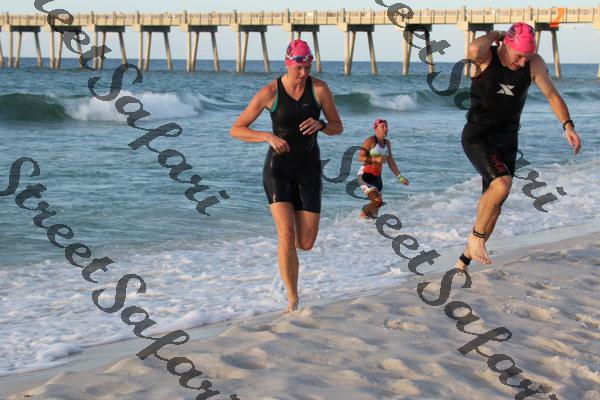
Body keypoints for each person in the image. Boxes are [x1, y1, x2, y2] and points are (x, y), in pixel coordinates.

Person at [457, 22, 582, 270]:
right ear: (505, 45)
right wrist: (496, 34)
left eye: (528, 56)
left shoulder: (534, 64)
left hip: (508, 140)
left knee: (495, 206)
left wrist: (568, 125)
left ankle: (463, 262)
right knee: (502, 184)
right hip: (479, 135)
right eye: (519, 55)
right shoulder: (486, 58)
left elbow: (552, 95)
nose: (523, 62)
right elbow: (473, 48)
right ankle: (476, 238)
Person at [230, 40, 343, 313]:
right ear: (288, 64)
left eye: (307, 68)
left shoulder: (319, 90)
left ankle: (288, 258)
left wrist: (322, 124)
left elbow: (337, 127)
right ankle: (293, 299)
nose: (303, 73)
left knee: (305, 243)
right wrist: (266, 137)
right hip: (277, 170)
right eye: (298, 68)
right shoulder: (270, 92)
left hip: (309, 171)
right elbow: (237, 128)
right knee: (286, 233)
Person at [357, 118, 409, 219]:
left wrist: (400, 177)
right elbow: (360, 157)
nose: (386, 129)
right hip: (365, 176)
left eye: (386, 126)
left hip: (377, 177)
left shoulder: (387, 143)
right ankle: (360, 219)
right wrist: (375, 159)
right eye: (383, 127)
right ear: (376, 129)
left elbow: (390, 161)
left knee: (377, 207)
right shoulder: (370, 141)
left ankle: (370, 226)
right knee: (377, 201)